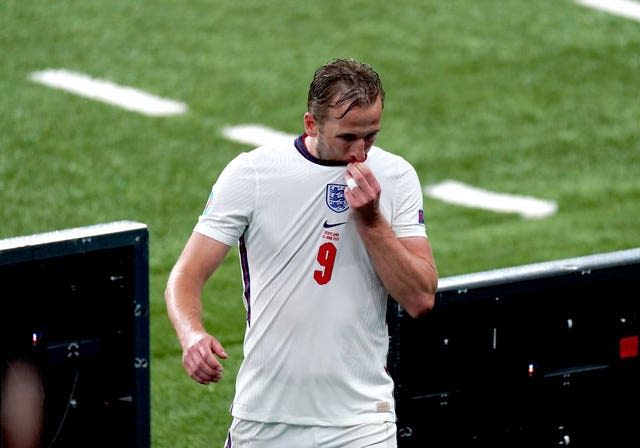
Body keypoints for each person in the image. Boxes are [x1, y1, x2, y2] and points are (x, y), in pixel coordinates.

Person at [165, 58, 438, 448]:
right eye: (348, 138)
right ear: (311, 124)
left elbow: (421, 297)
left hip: (361, 422)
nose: (360, 153)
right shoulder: (253, 174)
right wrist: (192, 335)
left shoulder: (396, 177)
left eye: (371, 136)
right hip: (267, 417)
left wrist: (372, 221)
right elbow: (185, 277)